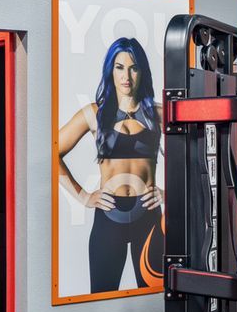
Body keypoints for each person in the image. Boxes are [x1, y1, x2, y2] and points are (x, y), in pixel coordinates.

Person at [57, 37, 162, 292]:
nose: (126, 75)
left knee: (157, 302)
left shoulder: (160, 113)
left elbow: (196, 154)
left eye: (133, 67)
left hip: (148, 217)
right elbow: (51, 152)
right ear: (110, 70)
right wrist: (83, 196)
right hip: (108, 216)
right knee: (101, 298)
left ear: (142, 71)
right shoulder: (94, 113)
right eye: (119, 67)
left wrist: (168, 192)